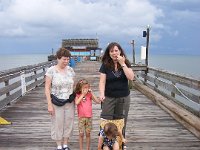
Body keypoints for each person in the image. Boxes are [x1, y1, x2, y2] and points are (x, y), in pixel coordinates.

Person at [99, 42, 134, 134]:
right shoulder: (105, 64)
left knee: (121, 121)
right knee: (106, 120)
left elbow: (131, 77)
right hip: (109, 97)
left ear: (120, 51)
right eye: (111, 51)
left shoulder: (126, 62)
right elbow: (102, 81)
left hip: (123, 98)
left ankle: (121, 142)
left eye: (116, 50)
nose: (114, 53)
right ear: (108, 53)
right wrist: (102, 94)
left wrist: (122, 63)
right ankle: (106, 142)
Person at [45, 48, 75, 150]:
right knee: (57, 123)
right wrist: (49, 104)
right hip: (56, 101)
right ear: (58, 58)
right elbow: (47, 88)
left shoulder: (71, 70)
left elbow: (73, 85)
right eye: (64, 59)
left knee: (68, 122)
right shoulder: (51, 70)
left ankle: (65, 144)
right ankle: (59, 145)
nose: (66, 61)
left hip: (69, 101)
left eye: (68, 59)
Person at [74, 79, 100, 150]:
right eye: (84, 88)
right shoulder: (77, 95)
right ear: (80, 88)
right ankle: (81, 148)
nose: (86, 89)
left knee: (88, 134)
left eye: (87, 87)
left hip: (89, 117)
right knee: (81, 134)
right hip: (81, 118)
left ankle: (87, 148)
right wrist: (82, 95)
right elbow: (76, 103)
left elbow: (97, 101)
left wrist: (92, 93)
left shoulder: (89, 95)